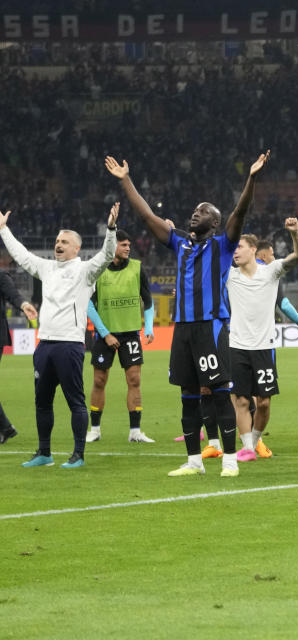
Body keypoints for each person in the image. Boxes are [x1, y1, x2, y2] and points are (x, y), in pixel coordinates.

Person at [106, 150, 269, 477]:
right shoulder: (179, 242)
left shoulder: (224, 244)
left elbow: (241, 211)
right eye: (195, 210)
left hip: (210, 327)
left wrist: (251, 178)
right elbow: (147, 216)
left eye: (204, 211)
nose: (196, 213)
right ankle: (194, 461)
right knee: (188, 396)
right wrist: (126, 181)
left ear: (216, 222)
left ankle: (229, 461)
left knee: (221, 394)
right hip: (182, 330)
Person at [1, 205, 118, 468]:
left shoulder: (86, 271)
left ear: (76, 248)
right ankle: (44, 453)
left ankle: (78, 454)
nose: (58, 244)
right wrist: (4, 230)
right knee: (41, 401)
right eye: (56, 241)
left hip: (69, 345)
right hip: (45, 345)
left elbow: (107, 254)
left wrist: (111, 229)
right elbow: (21, 255)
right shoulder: (46, 268)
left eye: (64, 241)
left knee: (75, 401)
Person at [227, 219, 298, 462]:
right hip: (237, 346)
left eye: (239, 247)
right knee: (240, 400)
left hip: (263, 347)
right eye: (234, 248)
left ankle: (256, 437)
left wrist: (295, 234)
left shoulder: (270, 271)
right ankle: (248, 448)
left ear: (253, 249)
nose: (235, 251)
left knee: (264, 404)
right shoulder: (229, 275)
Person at [84, 229, 156, 444]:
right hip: (106, 336)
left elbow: (148, 300)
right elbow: (88, 304)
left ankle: (135, 431)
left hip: (131, 334)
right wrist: (105, 334)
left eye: (128, 245)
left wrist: (149, 327)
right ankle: (94, 430)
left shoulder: (137, 268)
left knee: (134, 380)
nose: (128, 248)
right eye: (123, 245)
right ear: (112, 246)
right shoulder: (99, 269)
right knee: (99, 380)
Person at [0, 269, 38, 444]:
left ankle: (6, 428)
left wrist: (23, 305)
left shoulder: (1, 275)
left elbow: (13, 294)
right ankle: (5, 428)